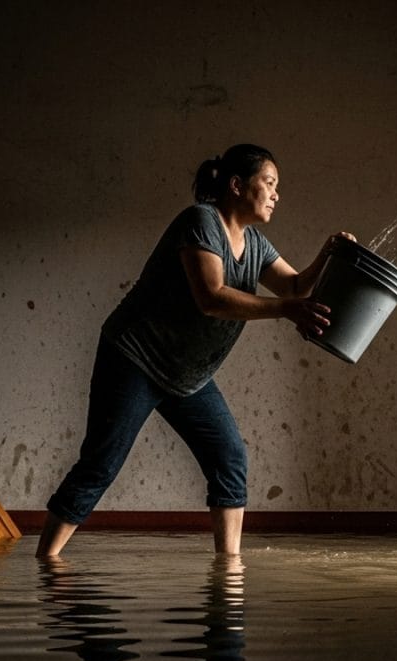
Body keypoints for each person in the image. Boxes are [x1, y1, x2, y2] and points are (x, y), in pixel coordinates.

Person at [37, 144, 353, 557]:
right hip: (135, 358)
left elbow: (294, 287)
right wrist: (287, 311)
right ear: (237, 186)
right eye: (270, 184)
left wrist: (327, 255)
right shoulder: (200, 222)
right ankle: (48, 560)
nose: (277, 194)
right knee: (101, 462)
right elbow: (212, 296)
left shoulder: (256, 244)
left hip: (187, 375)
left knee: (229, 458)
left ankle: (229, 563)